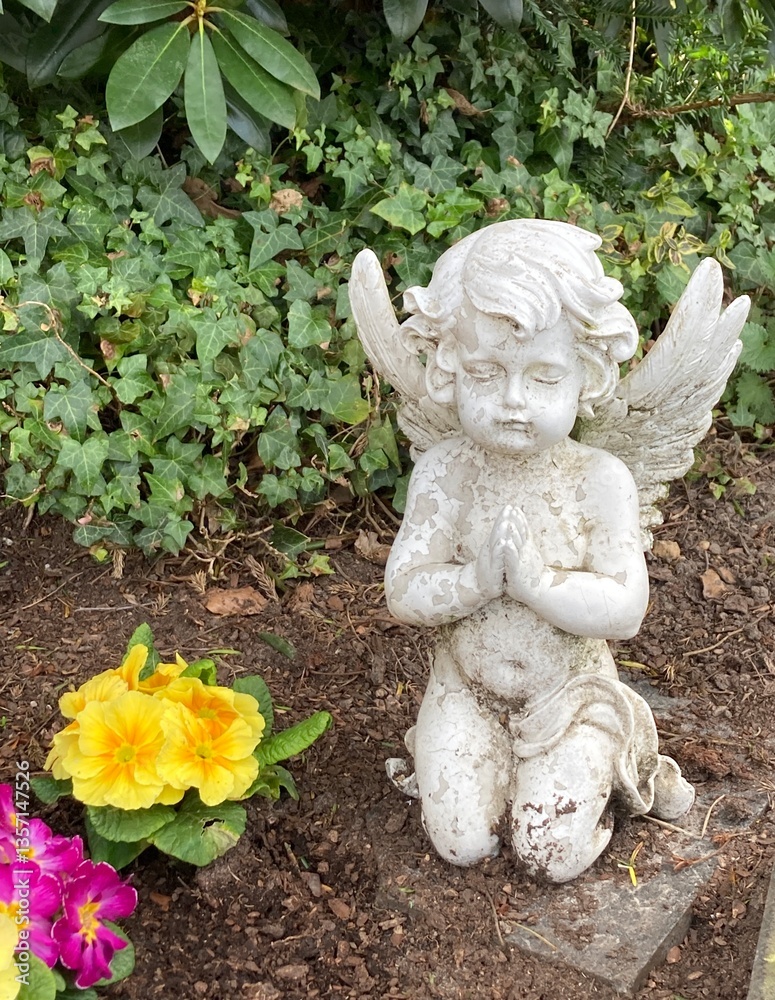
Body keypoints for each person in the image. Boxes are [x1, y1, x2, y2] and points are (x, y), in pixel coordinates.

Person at [384, 220, 694, 883]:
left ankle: (607, 782)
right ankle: (476, 760)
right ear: (447, 370)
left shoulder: (597, 480)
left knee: (547, 854)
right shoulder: (444, 472)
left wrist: (534, 583)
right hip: (465, 690)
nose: (513, 401)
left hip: (569, 696)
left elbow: (624, 610)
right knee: (462, 843)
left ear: (587, 376)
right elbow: (404, 590)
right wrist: (472, 582)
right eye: (485, 373)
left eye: (544, 377)